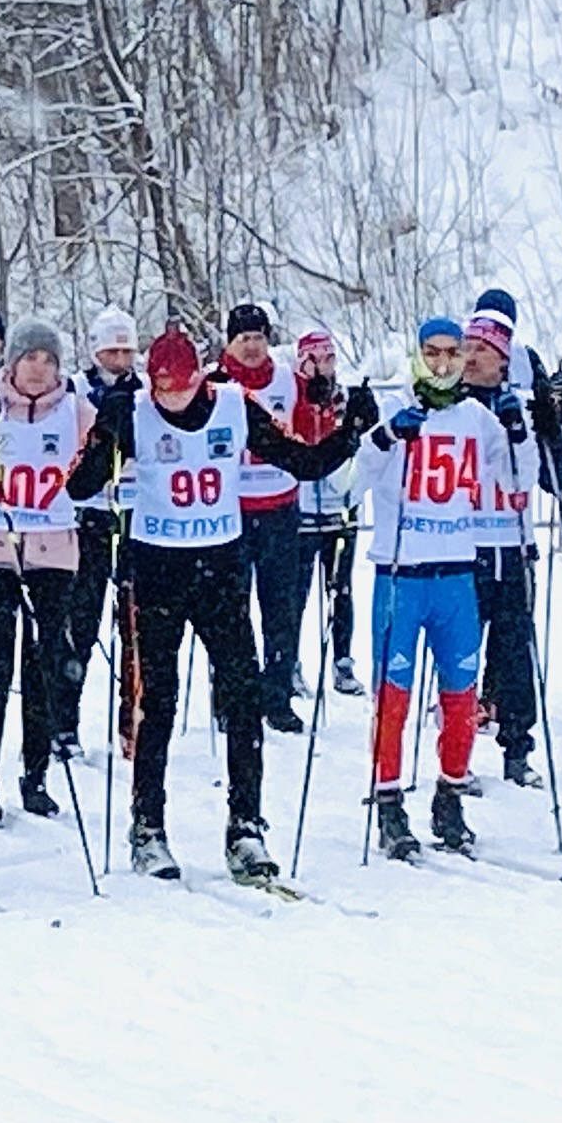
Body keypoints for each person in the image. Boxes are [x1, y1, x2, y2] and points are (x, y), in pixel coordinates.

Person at [60, 322, 367, 882]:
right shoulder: (134, 409)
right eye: (160, 389)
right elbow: (78, 486)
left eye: (179, 388)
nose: (169, 400)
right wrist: (106, 435)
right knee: (159, 702)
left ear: (200, 377)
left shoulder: (233, 404)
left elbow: (301, 460)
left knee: (243, 695)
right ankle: (148, 826)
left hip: (220, 567)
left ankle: (245, 826)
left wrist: (350, 432)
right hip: (156, 569)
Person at [355, 312, 506, 860]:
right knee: (393, 696)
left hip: (456, 575)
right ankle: (389, 801)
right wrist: (384, 437)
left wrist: (526, 429)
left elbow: (519, 481)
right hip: (401, 574)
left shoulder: (477, 418)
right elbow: (349, 484)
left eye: (453, 352)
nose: (444, 363)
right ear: (418, 355)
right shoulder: (395, 408)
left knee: (461, 696)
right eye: (433, 352)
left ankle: (450, 793)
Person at [0, 317, 87, 825]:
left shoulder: (77, 408)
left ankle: (36, 775)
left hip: (52, 552)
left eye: (48, 360)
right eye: (30, 358)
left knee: (43, 668)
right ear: (11, 361)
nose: (38, 370)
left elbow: (106, 463)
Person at [458, 302, 562, 785]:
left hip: (513, 544)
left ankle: (518, 748)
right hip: (462, 545)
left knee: (516, 651)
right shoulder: (452, 407)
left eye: (483, 349)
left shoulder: (520, 406)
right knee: (459, 654)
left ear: (504, 358)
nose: (472, 356)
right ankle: (454, 752)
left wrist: (548, 422)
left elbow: (558, 478)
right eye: (468, 348)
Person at [217, 301, 318, 729]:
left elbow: (310, 434)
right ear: (230, 343)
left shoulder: (288, 381)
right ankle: (231, 698)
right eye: (245, 339)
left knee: (281, 608)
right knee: (228, 612)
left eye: (259, 337)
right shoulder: (213, 382)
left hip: (279, 506)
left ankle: (277, 696)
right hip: (228, 511)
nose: (253, 346)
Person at [63, 306, 142, 761]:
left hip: (133, 514)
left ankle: (133, 722)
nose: (118, 360)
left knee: (134, 625)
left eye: (125, 351)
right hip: (87, 516)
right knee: (81, 622)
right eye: (110, 351)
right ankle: (66, 722)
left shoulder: (147, 392)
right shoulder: (76, 390)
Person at [295, 328, 367, 701]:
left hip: (342, 508)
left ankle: (342, 663)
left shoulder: (347, 398)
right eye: (314, 359)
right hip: (302, 511)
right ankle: (289, 662)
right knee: (296, 593)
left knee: (340, 589)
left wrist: (360, 422)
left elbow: (365, 448)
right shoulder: (294, 395)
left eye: (328, 359)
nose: (322, 367)